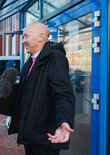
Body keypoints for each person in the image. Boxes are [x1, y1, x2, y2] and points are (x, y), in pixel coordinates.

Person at [6, 23, 76, 155]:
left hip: (45, 135)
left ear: (41, 37)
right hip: (30, 133)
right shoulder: (30, 61)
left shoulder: (55, 57)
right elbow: (27, 93)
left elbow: (63, 94)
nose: (23, 41)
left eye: (26, 36)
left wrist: (64, 120)